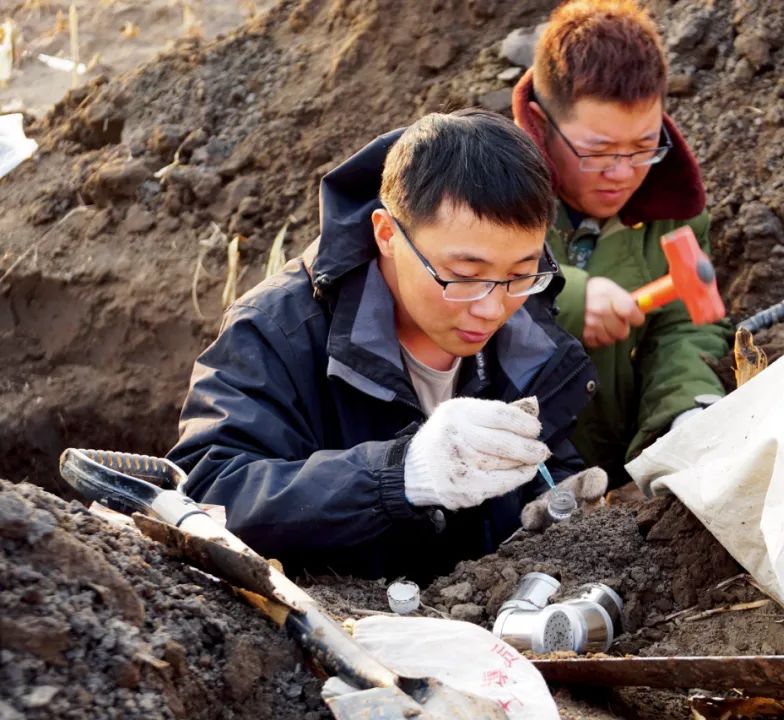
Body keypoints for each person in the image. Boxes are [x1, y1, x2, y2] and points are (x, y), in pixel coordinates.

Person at [168, 110, 605, 582]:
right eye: (463, 276)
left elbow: (545, 461)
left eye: (520, 273)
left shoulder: (529, 330)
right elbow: (205, 491)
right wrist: (401, 475)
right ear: (387, 234)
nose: (493, 308)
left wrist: (554, 499)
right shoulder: (277, 331)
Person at [512, 0, 734, 486]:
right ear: (540, 123)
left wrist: (687, 413)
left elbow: (685, 328)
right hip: (518, 482)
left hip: (624, 483)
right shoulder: (487, 195)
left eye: (642, 147)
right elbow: (449, 307)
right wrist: (565, 297)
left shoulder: (673, 204)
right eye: (597, 152)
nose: (622, 175)